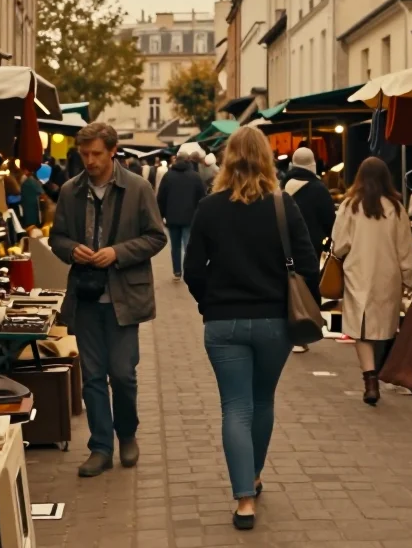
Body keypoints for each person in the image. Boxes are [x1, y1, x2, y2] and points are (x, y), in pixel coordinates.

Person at [183, 126, 319, 530]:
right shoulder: (282, 204)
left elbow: (193, 270)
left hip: (223, 323)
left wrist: (209, 303)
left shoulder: (210, 208)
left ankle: (244, 499)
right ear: (267, 159)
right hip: (275, 322)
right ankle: (254, 475)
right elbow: (309, 265)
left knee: (235, 407)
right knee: (262, 400)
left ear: (227, 160)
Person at [49, 122, 167, 478]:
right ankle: (100, 447)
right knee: (93, 377)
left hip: (124, 296)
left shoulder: (138, 188)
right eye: (84, 154)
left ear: (113, 151)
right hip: (85, 297)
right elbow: (57, 238)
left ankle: (127, 434)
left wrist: (118, 252)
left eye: (96, 154)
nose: (90, 161)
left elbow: (156, 237)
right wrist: (73, 250)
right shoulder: (71, 190)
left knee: (123, 374)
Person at [330, 157, 412, 406]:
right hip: (388, 276)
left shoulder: (350, 206)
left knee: (362, 329)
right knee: (383, 327)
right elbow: (405, 249)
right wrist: (408, 278)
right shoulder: (396, 208)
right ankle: (378, 370)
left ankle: (370, 379)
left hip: (358, 273)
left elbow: (339, 244)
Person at [156, 150, 206, 281]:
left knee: (175, 246)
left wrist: (161, 215)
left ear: (176, 160)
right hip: (190, 217)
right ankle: (188, 271)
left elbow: (161, 197)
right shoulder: (195, 176)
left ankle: (177, 271)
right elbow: (202, 197)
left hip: (172, 218)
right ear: (188, 160)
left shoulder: (168, 176)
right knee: (188, 245)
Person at [281, 147, 337, 259]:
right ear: (313, 165)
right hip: (312, 253)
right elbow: (331, 224)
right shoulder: (319, 189)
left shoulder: (282, 188)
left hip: (285, 253)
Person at [18, 161, 44, 231]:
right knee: (33, 227)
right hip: (32, 209)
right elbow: (42, 193)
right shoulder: (31, 181)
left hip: (27, 207)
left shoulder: (28, 180)